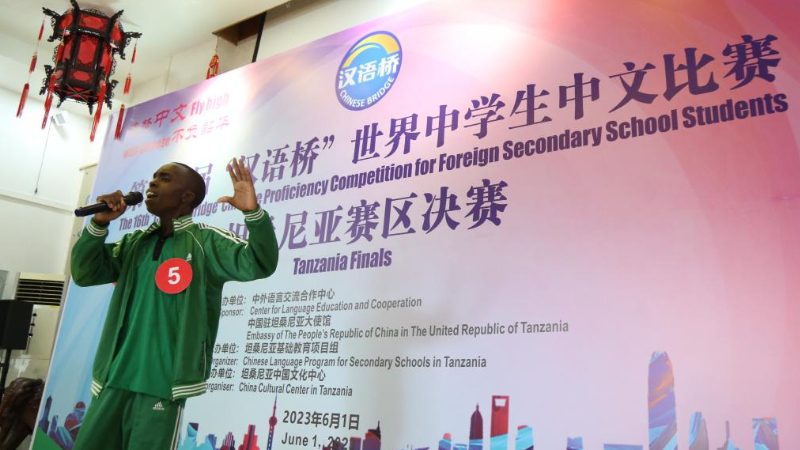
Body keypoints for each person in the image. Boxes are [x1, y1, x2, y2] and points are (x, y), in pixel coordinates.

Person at [70, 158, 278, 450]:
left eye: (164, 178)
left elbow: (258, 262)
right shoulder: (134, 243)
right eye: (154, 176)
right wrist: (99, 223)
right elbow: (85, 273)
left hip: (162, 385)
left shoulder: (205, 242)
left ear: (186, 196)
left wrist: (253, 214)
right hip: (113, 378)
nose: (152, 182)